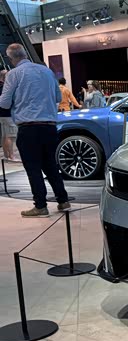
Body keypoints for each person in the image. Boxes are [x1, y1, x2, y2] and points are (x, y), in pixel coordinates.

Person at [0, 43, 70, 217]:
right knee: (50, 165)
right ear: (24, 54)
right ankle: (63, 200)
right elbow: (58, 97)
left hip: (28, 127)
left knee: (33, 168)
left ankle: (40, 206)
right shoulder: (47, 71)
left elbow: (4, 103)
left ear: (11, 58)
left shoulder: (13, 74)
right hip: (50, 126)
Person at [0, 69, 18, 161]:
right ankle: (11, 156)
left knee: (4, 135)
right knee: (10, 136)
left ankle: (6, 155)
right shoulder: (5, 87)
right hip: (8, 114)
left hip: (1, 115)